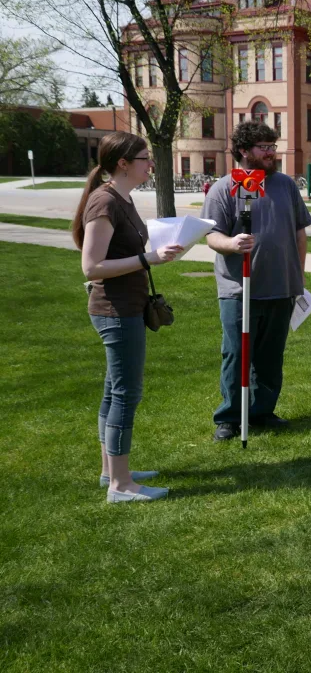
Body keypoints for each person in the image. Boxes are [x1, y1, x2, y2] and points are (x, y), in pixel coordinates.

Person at [72, 132, 183, 503]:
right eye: (144, 158)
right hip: (114, 310)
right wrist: (147, 259)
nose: (151, 164)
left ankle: (111, 471)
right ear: (123, 164)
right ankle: (121, 486)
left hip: (128, 306)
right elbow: (92, 266)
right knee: (125, 393)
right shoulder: (105, 202)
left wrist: (160, 249)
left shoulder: (123, 199)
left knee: (113, 390)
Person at [202, 121, 311, 441]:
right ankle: (230, 417)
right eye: (264, 148)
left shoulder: (286, 186)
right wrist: (232, 244)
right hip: (239, 289)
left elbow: (299, 233)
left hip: (281, 286)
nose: (271, 153)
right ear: (244, 151)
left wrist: (298, 273)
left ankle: (262, 410)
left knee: (270, 356)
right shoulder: (224, 188)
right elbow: (212, 236)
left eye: (272, 147)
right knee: (237, 353)